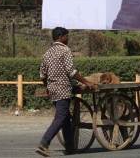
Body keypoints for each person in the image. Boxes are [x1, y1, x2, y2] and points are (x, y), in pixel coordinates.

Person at [35, 27, 96, 157]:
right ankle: (44, 143)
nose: (68, 39)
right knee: (61, 117)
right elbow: (71, 71)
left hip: (53, 90)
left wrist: (48, 87)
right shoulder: (65, 50)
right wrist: (87, 82)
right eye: (67, 36)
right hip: (63, 89)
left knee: (66, 119)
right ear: (61, 37)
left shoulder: (47, 53)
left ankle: (70, 147)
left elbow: (42, 75)